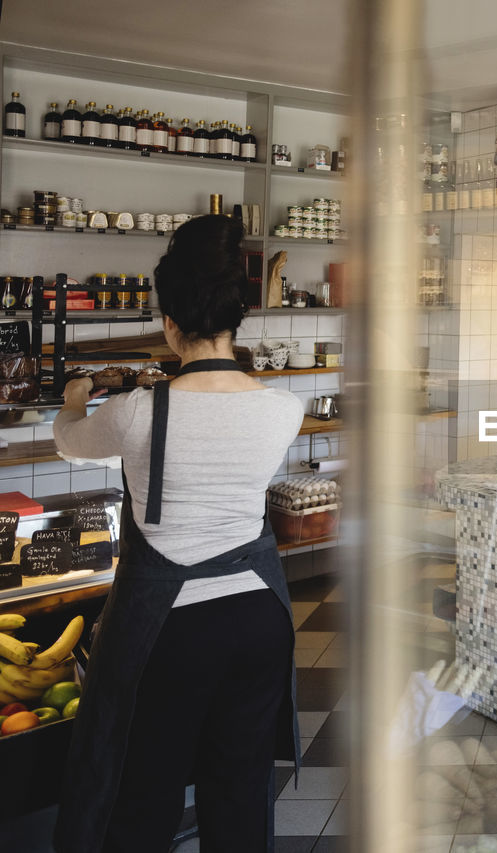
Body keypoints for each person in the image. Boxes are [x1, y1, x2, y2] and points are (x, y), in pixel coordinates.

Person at [52, 215, 304, 853]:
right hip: (259, 619)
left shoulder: (136, 411)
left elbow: (69, 444)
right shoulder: (284, 408)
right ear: (235, 321)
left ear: (169, 324)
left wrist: (74, 399)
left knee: (143, 797)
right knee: (241, 792)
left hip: (170, 628)